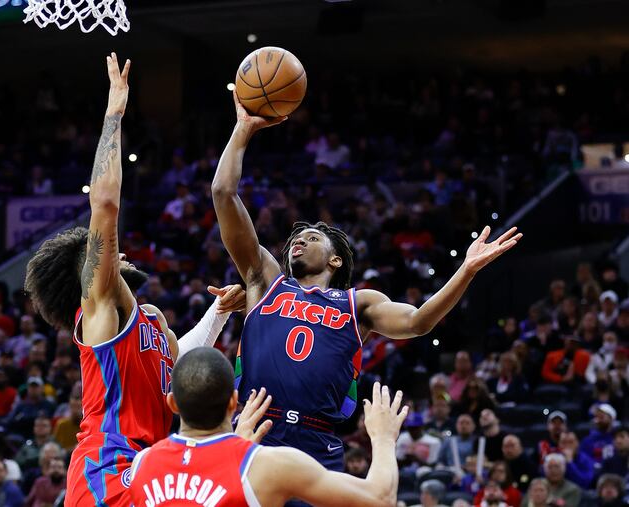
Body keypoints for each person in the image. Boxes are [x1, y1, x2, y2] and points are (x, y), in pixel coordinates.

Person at [211, 90, 521, 474]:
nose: (299, 241)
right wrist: (242, 131)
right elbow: (223, 194)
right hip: (254, 427)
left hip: (317, 440)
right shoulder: (265, 280)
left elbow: (419, 322)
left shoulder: (360, 304)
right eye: (296, 238)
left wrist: (466, 270)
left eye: (312, 238)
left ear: (335, 259)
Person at [24, 54, 246, 507]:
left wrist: (219, 313)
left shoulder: (151, 318)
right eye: (102, 256)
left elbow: (177, 359)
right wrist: (114, 113)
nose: (117, 253)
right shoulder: (99, 310)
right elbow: (104, 205)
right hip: (106, 469)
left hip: (151, 471)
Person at [129, 347, 408, 507]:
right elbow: (380, 498)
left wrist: (235, 445)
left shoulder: (141, 465)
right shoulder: (267, 466)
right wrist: (383, 438)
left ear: (172, 404)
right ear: (233, 403)